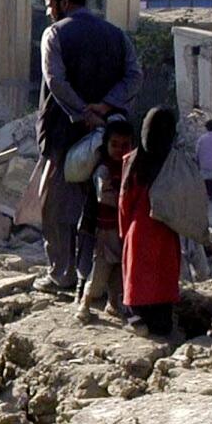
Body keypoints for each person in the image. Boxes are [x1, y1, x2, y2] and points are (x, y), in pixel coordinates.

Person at [34, 0, 142, 295]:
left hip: (63, 135)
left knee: (57, 207)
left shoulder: (54, 34)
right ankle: (101, 280)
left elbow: (55, 81)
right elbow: (134, 76)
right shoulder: (116, 35)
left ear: (64, 3)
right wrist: (106, 106)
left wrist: (84, 112)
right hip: (111, 135)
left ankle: (62, 275)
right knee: (104, 207)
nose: (49, 12)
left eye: (50, 5)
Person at [120, 107, 182, 335]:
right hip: (166, 230)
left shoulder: (133, 161)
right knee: (162, 283)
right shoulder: (174, 162)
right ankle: (162, 324)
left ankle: (137, 320)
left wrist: (123, 231)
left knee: (138, 285)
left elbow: (124, 203)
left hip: (139, 230)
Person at [75, 116, 134, 323]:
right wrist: (126, 201)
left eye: (125, 145)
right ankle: (85, 303)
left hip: (122, 231)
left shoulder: (129, 168)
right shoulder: (104, 170)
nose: (119, 149)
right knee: (100, 272)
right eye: (114, 144)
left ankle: (114, 303)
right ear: (106, 145)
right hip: (106, 230)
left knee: (118, 271)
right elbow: (103, 196)